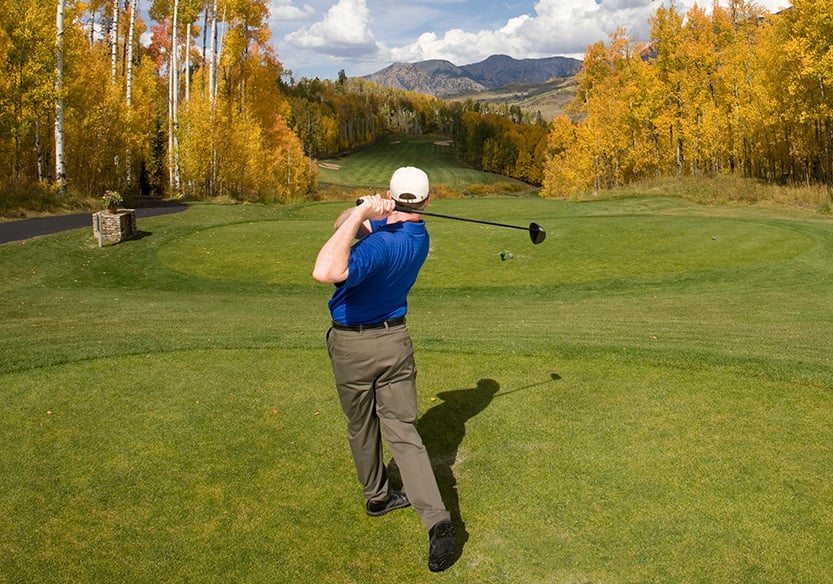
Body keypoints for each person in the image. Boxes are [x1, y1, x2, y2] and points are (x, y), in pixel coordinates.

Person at [312, 166, 457, 572]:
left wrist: (363, 214)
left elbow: (325, 270)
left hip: (352, 345)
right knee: (403, 432)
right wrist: (363, 210)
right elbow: (341, 223)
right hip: (395, 342)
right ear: (427, 201)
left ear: (392, 196)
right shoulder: (417, 234)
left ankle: (379, 497)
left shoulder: (379, 245)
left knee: (362, 425)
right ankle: (429, 517)